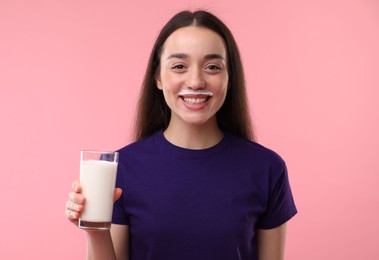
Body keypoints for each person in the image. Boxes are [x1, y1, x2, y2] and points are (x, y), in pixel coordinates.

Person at [65, 10, 297, 260]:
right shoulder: (121, 168)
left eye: (212, 67)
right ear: (158, 78)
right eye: (179, 66)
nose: (196, 81)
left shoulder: (267, 169)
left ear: (230, 78)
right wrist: (94, 228)